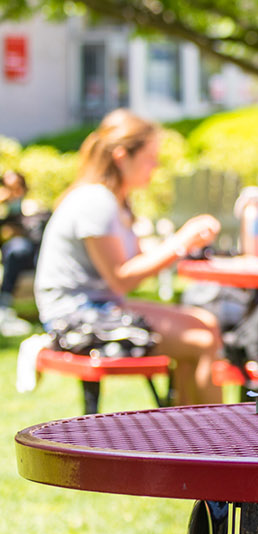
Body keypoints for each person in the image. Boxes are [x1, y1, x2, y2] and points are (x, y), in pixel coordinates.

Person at [33, 109, 224, 405]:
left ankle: (185, 437)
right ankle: (210, 441)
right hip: (75, 316)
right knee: (201, 341)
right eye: (150, 158)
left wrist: (185, 246)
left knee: (207, 323)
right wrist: (179, 242)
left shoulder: (117, 200)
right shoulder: (96, 201)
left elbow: (134, 259)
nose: (156, 165)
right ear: (122, 156)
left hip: (100, 305)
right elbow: (121, 278)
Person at [1, 170, 42, 335]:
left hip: (32, 254)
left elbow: (37, 235)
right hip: (10, 256)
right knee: (15, 249)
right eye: (8, 187)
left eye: (17, 187)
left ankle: (3, 304)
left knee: (18, 247)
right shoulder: (4, 209)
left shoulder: (32, 207)